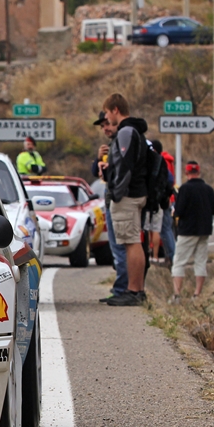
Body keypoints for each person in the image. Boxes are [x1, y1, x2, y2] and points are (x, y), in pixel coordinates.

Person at [101, 93, 150, 307]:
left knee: (131, 243)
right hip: (136, 192)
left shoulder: (126, 132)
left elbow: (124, 166)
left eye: (107, 113)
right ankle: (134, 289)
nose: (106, 118)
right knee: (132, 242)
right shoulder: (135, 131)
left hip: (128, 196)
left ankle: (133, 290)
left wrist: (117, 192)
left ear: (115, 110)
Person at [90, 110, 126, 302]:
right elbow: (96, 172)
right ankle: (120, 287)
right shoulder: (110, 147)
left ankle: (124, 289)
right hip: (110, 198)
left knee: (121, 246)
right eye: (103, 126)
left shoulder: (122, 144)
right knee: (116, 246)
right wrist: (99, 159)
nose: (106, 128)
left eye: (108, 124)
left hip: (120, 199)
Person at [170, 161, 214, 303]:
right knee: (200, 261)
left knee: (179, 261)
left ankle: (177, 295)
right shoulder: (208, 189)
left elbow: (179, 211)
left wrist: (174, 213)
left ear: (187, 173)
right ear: (199, 172)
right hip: (204, 230)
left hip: (187, 231)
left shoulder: (184, 189)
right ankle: (197, 295)